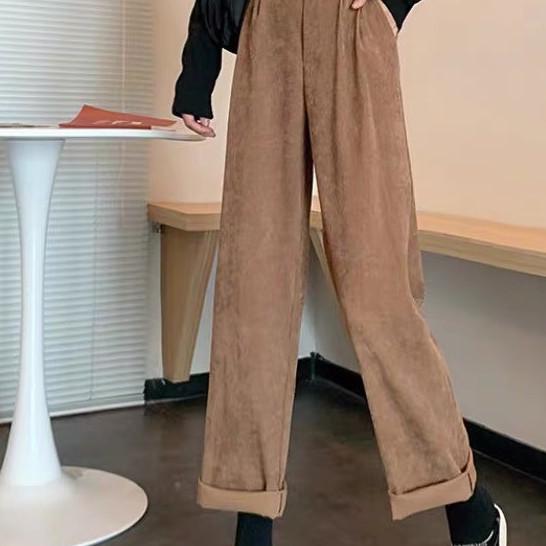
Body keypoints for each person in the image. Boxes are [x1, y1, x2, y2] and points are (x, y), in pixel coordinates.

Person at [172, 1, 508, 545]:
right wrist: (199, 64)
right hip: (268, 30)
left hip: (350, 29)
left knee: (380, 296)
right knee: (252, 290)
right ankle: (251, 519)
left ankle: (468, 505)